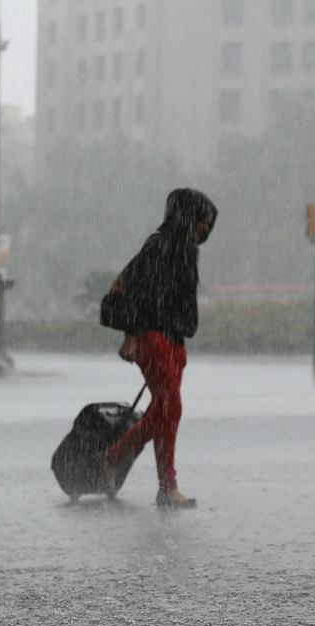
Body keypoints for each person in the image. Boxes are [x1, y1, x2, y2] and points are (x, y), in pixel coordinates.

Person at [99, 188, 217, 509]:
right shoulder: (159, 246)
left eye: (208, 223)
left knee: (164, 412)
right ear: (185, 217)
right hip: (152, 337)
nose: (205, 228)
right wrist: (132, 334)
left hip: (175, 340)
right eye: (201, 220)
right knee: (170, 409)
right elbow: (134, 291)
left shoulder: (187, 251)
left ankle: (165, 486)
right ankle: (116, 457)